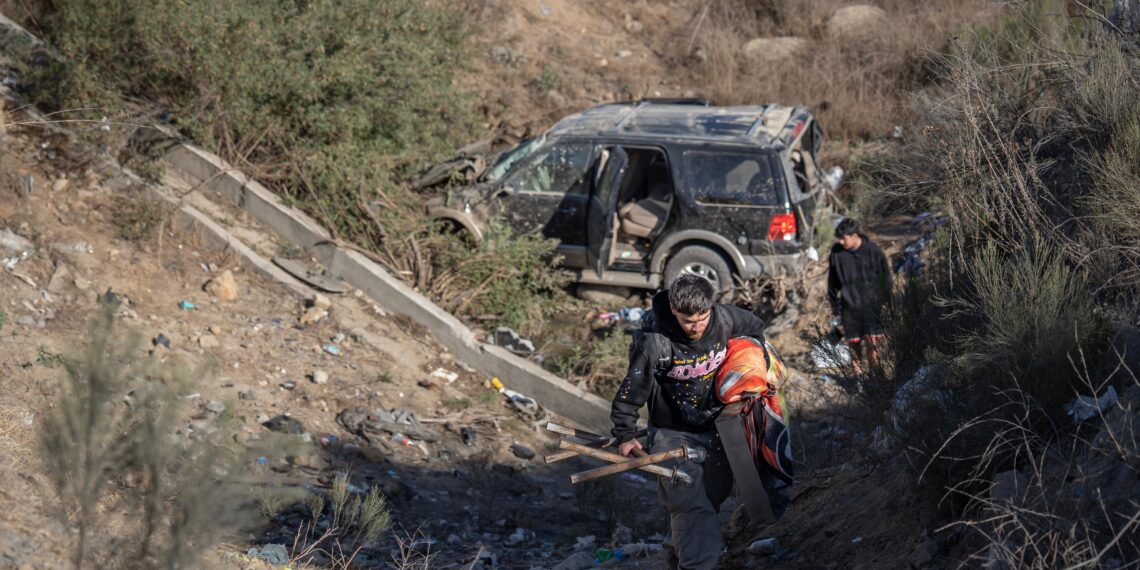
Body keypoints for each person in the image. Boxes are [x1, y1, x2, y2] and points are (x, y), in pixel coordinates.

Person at [610, 274, 781, 570]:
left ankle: (676, 552)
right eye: (690, 321)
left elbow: (756, 329)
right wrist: (625, 433)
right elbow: (632, 389)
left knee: (711, 497)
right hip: (672, 433)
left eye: (703, 318)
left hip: (718, 428)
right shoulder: (655, 342)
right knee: (690, 498)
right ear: (675, 310)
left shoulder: (724, 319)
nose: (698, 327)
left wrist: (750, 366)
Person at [827, 218, 890, 373]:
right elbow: (832, 280)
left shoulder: (873, 251)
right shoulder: (837, 252)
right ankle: (859, 378)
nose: (841, 242)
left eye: (844, 238)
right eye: (839, 239)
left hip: (871, 306)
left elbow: (885, 278)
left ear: (855, 235)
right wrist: (835, 305)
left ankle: (875, 377)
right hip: (849, 307)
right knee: (853, 345)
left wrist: (884, 300)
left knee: (872, 343)